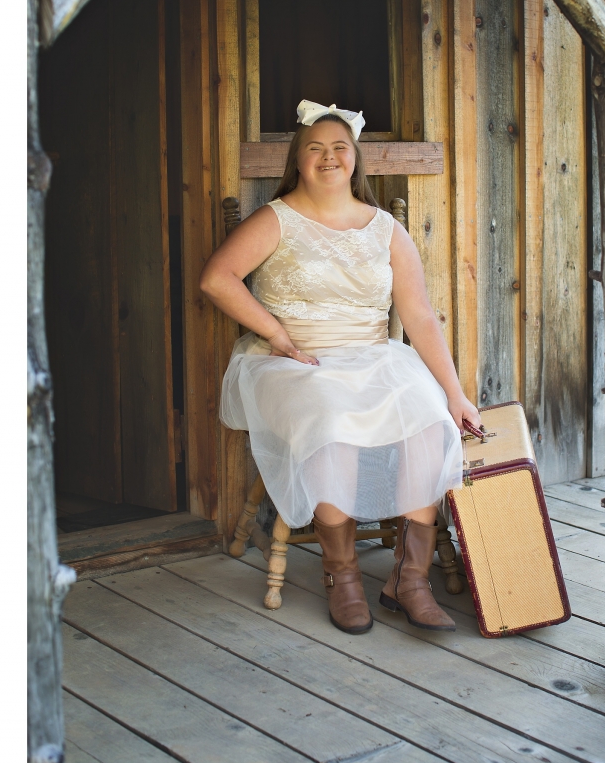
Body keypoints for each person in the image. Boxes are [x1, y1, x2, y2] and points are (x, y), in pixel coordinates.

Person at [200, 100, 480, 636]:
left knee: (428, 419)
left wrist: (455, 393)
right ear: (298, 160)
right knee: (330, 423)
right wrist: (276, 333)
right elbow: (217, 278)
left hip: (374, 357)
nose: (328, 158)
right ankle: (342, 576)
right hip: (295, 363)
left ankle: (409, 579)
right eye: (315, 149)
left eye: (339, 149)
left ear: (355, 159)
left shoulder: (386, 230)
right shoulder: (276, 219)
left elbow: (418, 316)